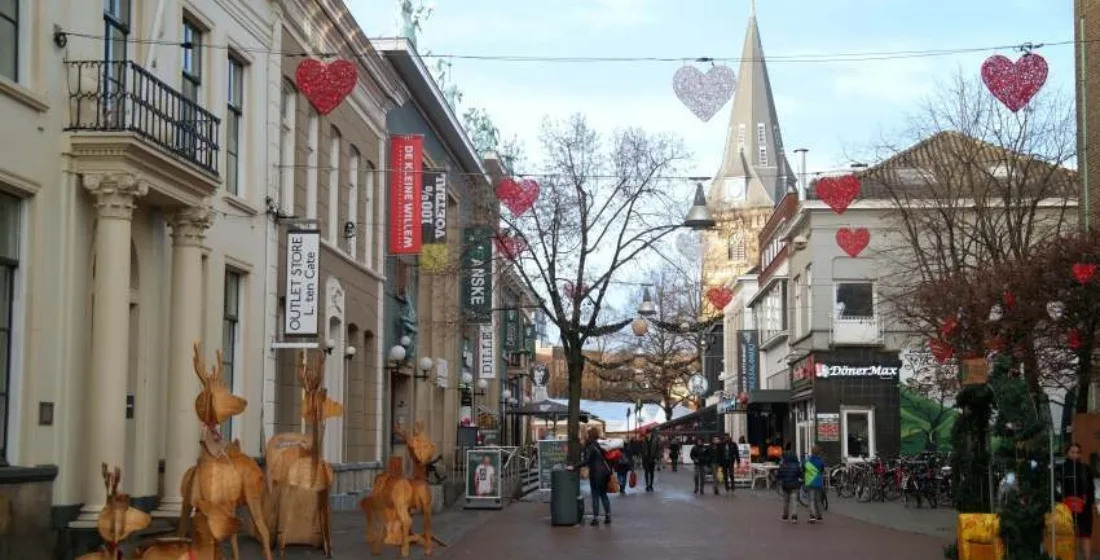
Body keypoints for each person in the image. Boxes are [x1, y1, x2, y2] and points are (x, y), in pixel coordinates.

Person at [571, 426, 613, 526]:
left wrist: (574, 466)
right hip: (604, 473)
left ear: (590, 435)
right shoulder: (600, 445)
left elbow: (587, 460)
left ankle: (596, 518)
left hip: (595, 474)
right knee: (603, 495)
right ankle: (608, 516)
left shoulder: (590, 446)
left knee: (595, 496)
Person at [1060, 442, 1094, 558]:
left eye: (1077, 452)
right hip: (1065, 508)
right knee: (1068, 536)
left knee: (1086, 535)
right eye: (1072, 452)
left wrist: (1088, 503)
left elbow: (1091, 489)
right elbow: (1057, 488)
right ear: (1067, 453)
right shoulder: (1061, 469)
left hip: (1084, 507)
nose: (1075, 455)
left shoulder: (1086, 469)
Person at [778, 447, 803, 523]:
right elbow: (800, 475)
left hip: (785, 485)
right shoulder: (797, 466)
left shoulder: (783, 465)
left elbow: (780, 475)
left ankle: (785, 516)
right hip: (795, 485)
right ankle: (794, 517)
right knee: (794, 501)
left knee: (786, 501)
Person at [803, 445, 826, 523]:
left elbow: (803, 469)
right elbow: (822, 470)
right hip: (819, 483)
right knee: (818, 500)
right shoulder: (821, 461)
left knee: (811, 500)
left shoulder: (807, 461)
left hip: (809, 482)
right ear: (819, 453)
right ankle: (820, 516)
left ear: (812, 452)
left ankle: (812, 516)